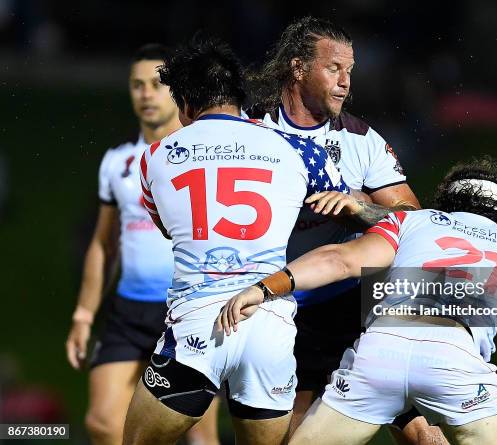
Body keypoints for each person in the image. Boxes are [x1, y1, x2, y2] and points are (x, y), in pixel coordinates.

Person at [123, 35, 383, 445]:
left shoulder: (156, 155)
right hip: (269, 325)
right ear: (239, 96)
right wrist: (358, 203)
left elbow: (171, 228)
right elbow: (339, 203)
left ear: (186, 105)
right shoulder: (299, 150)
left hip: (199, 325)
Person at [219, 156, 497, 445]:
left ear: (446, 199)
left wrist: (263, 288)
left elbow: (340, 260)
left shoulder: (415, 220)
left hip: (381, 351)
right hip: (455, 358)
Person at [247, 17, 442, 443]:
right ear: (298, 68)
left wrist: (360, 207)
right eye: (334, 68)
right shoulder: (250, 130)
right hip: (271, 304)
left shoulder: (360, 139)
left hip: (344, 303)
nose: (345, 82)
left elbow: (413, 216)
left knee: (423, 436)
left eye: (350, 71)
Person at [64, 44, 220, 445]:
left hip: (187, 310)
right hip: (129, 313)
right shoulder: (117, 162)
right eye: (137, 85)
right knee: (103, 423)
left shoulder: (208, 153)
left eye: (156, 84)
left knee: (198, 435)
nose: (146, 94)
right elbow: (103, 244)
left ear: (177, 91)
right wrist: (84, 315)